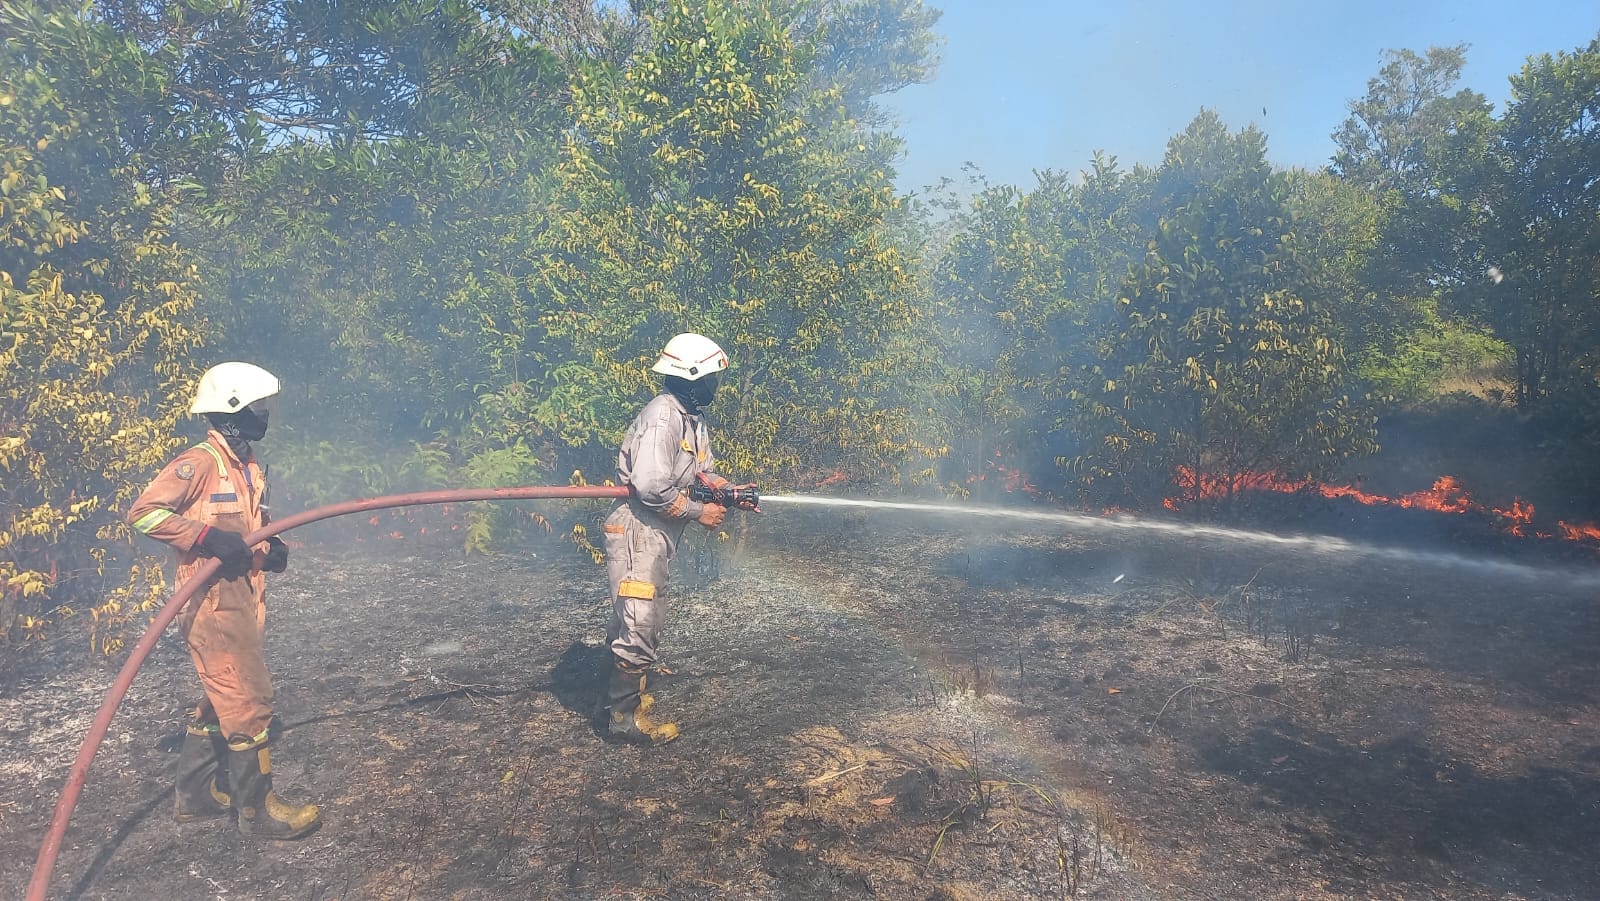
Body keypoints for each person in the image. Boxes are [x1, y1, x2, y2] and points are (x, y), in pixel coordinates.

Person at [127, 362, 321, 839]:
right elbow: (143, 514)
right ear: (232, 410)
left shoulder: (247, 463)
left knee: (223, 697)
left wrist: (268, 551)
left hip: (243, 597)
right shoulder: (199, 463)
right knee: (251, 700)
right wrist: (203, 536)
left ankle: (194, 797)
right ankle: (258, 811)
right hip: (211, 603)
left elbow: (249, 525)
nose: (263, 415)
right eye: (256, 406)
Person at [601, 333, 738, 745]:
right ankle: (621, 721)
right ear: (692, 378)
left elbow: (699, 471)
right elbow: (651, 487)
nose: (715, 385)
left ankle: (621, 700)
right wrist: (700, 512)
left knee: (641, 616)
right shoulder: (663, 416)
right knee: (640, 621)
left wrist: (724, 489)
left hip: (654, 533)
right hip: (638, 529)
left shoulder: (690, 418)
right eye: (711, 377)